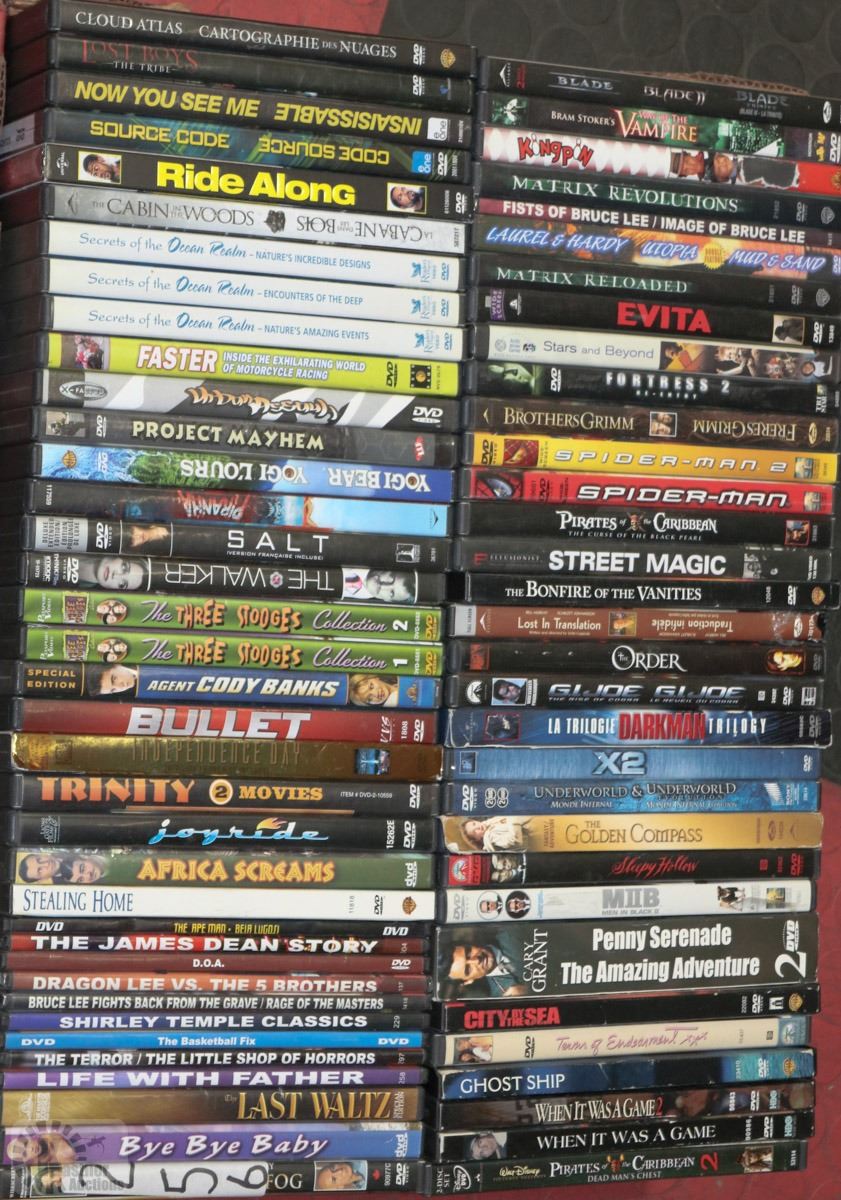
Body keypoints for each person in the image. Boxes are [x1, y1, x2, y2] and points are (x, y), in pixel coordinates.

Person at [439, 931, 527, 998]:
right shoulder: (499, 997)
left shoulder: (513, 931)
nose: (476, 960)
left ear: (469, 943)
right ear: (468, 981)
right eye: (468, 969)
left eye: (469, 953)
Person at [18, 853, 106, 885]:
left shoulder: (62, 845)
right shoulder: (62, 887)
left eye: (39, 860)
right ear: (42, 880)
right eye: (40, 870)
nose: (46, 864)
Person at [458, 817, 529, 853]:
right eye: (474, 831)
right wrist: (513, 818)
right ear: (477, 839)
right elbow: (515, 840)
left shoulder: (489, 824)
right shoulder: (490, 838)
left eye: (474, 823)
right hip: (530, 833)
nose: (477, 827)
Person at [5, 1134, 77, 1166]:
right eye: (25, 1153)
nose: (31, 1149)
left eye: (26, 1144)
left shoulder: (51, 1133)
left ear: (29, 1138)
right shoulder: (45, 1170)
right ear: (26, 1160)